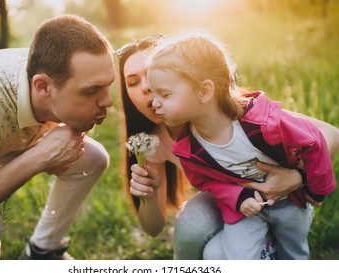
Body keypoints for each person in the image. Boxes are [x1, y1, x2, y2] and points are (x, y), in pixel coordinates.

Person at [117, 35, 339, 259]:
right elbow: (153, 228)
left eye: (150, 78)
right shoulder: (150, 145)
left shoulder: (242, 114)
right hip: (239, 206)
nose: (146, 89)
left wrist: (298, 177)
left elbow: (328, 134)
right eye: (133, 82)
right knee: (199, 230)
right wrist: (148, 191)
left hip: (286, 203)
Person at [0, 14, 115, 260]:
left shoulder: (54, 67)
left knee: (93, 158)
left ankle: (43, 251)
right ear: (43, 87)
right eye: (91, 91)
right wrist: (38, 158)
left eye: (107, 85)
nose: (108, 101)